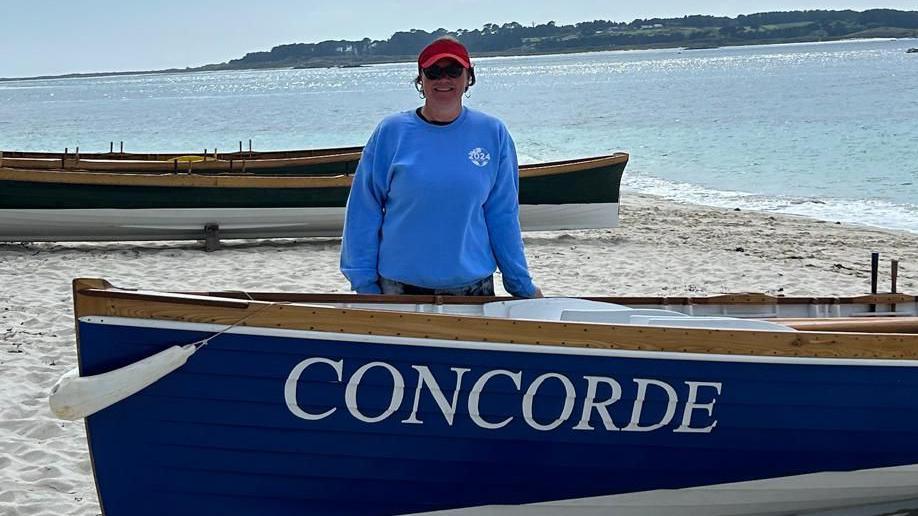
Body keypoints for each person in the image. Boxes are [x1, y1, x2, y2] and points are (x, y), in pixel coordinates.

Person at [340, 36, 542, 298]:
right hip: (397, 288)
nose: (443, 79)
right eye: (434, 72)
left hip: (474, 289)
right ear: (420, 80)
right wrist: (364, 283)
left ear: (469, 77)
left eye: (453, 70)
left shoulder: (493, 133)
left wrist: (520, 285)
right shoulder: (391, 132)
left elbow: (502, 215)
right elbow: (363, 210)